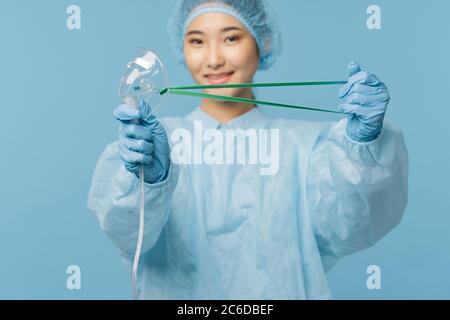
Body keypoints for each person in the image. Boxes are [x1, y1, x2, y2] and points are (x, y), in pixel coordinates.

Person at [88, 0, 408, 299]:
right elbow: (127, 234)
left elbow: (351, 225)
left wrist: (363, 147)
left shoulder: (311, 150)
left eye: (231, 38)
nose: (213, 59)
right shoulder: (155, 143)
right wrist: (149, 181)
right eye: (197, 41)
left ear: (262, 43)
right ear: (181, 49)